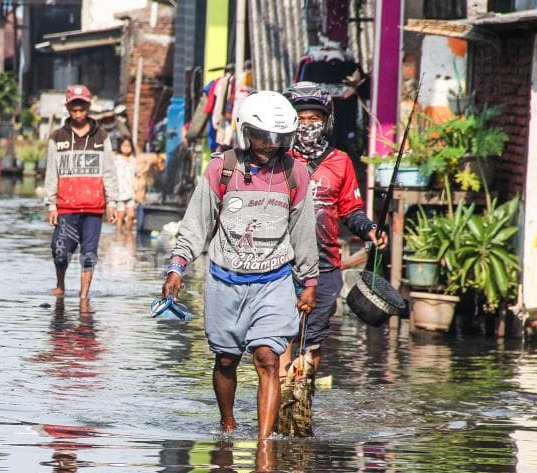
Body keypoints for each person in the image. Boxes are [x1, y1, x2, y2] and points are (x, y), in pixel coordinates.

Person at [162, 91, 319, 441]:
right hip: (224, 282)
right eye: (263, 136)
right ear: (246, 132)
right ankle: (228, 423)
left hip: (273, 282)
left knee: (267, 358)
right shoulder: (223, 168)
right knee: (226, 361)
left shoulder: (296, 174)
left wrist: (309, 280)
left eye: (278, 138)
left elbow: (303, 229)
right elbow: (196, 223)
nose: (270, 144)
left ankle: (264, 446)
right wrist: (177, 267)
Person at [282, 81, 388, 380]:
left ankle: (302, 398)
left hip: (325, 264)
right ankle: (275, 399)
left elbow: (350, 210)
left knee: (312, 340)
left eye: (313, 119)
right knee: (281, 336)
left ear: (325, 120)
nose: (307, 126)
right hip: (279, 263)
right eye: (300, 119)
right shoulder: (278, 160)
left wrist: (368, 229)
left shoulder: (340, 162)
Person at [44, 84, 119, 299]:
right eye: (74, 110)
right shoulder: (57, 137)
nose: (78, 114)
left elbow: (109, 170)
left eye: (82, 109)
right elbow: (52, 172)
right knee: (60, 252)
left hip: (93, 207)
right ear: (68, 109)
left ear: (88, 107)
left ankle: (84, 295)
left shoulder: (101, 136)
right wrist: (51, 205)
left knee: (88, 254)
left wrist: (112, 201)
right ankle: (60, 285)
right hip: (66, 207)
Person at [113, 136, 138, 232]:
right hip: (119, 192)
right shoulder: (116, 159)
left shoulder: (133, 160)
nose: (127, 148)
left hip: (131, 192)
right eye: (124, 146)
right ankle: (119, 234)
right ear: (120, 146)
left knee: (131, 215)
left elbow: (136, 173)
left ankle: (128, 233)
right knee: (120, 215)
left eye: (129, 146)